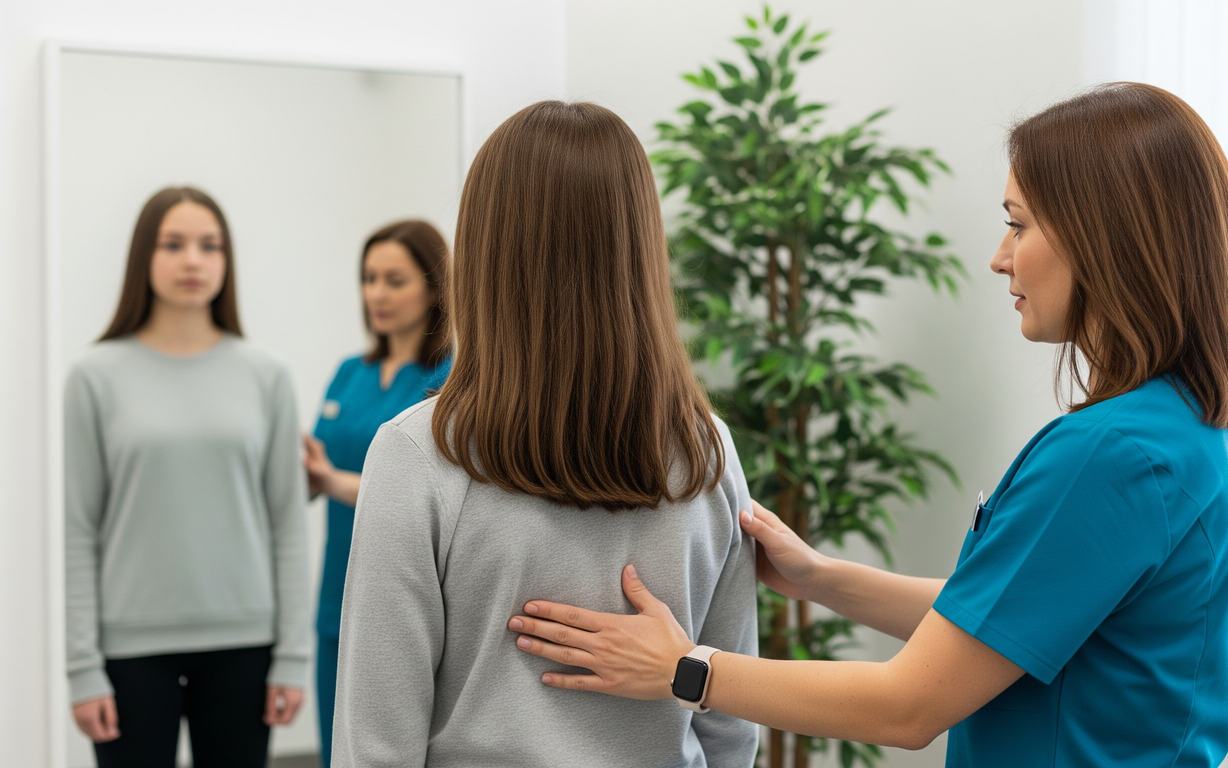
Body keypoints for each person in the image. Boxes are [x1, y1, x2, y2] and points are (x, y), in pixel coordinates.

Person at [507, 82, 1228, 767]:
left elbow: (907, 707)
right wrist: (819, 577)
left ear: (1105, 240)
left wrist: (684, 670)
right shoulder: (1191, 429)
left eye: (1019, 226)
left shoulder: (1111, 454)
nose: (1000, 258)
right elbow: (1004, 615)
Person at [330, 101, 760, 767]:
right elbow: (731, 729)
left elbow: (376, 743)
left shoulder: (418, 454)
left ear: (483, 251)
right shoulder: (708, 452)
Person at [65, 187, 310, 767]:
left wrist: (292, 656)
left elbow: (287, 524)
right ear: (143, 257)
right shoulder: (93, 376)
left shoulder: (267, 375)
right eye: (173, 245)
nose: (193, 261)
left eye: (210, 245)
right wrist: (82, 667)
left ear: (227, 260)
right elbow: (79, 529)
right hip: (129, 650)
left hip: (246, 645)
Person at [301, 219, 452, 767]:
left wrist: (330, 481)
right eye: (369, 279)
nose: (377, 294)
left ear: (434, 289)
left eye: (395, 280)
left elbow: (435, 494)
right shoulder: (350, 373)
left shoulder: (451, 378)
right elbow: (316, 467)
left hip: (407, 595)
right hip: (336, 592)